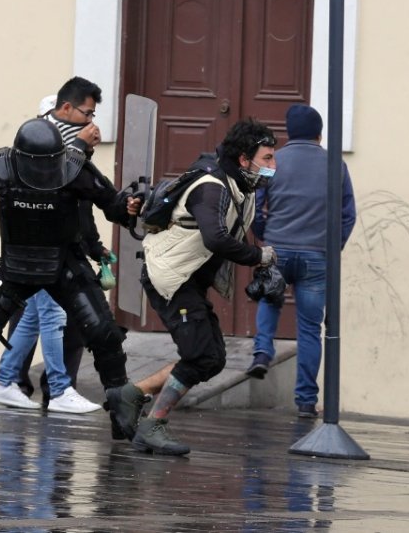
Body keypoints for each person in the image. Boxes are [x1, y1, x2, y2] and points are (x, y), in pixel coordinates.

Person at [0, 118, 140, 436]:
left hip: (64, 266)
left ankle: (123, 418)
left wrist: (131, 205)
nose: (42, 173)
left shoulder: (75, 169)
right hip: (16, 266)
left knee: (104, 333)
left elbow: (113, 206)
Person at [105, 119, 278, 456]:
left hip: (190, 278)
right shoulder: (212, 186)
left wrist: (261, 260)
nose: (274, 165)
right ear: (245, 159)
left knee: (211, 359)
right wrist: (257, 256)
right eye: (268, 158)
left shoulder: (243, 187)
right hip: (170, 276)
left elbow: (238, 231)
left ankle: (130, 394)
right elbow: (216, 237)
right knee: (200, 356)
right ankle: (152, 425)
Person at [245, 104, 356, 418]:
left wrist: (267, 236)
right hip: (316, 255)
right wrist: (333, 247)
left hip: (278, 249)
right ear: (320, 134)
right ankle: (306, 401)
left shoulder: (274, 162)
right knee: (309, 329)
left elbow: (255, 205)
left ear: (287, 133)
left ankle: (263, 350)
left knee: (269, 299)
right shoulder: (336, 164)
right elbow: (348, 215)